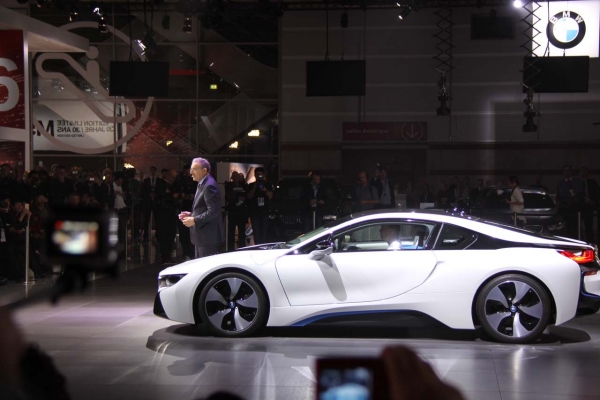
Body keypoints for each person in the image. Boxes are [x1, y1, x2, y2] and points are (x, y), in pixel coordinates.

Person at [180, 158, 224, 258]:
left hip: (208, 237)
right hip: (204, 237)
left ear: (204, 170)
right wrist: (191, 215)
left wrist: (194, 219)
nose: (191, 172)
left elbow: (213, 211)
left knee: (206, 269)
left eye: (194, 169)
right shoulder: (203, 183)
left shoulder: (209, 186)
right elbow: (205, 209)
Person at [156, 169, 180, 264]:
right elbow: (161, 197)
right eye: (172, 177)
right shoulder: (161, 184)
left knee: (171, 234)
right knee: (165, 235)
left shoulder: (173, 185)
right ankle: (165, 256)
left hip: (171, 213)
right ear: (167, 175)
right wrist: (171, 196)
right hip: (163, 214)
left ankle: (168, 255)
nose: (173, 179)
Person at [246, 167, 274, 244]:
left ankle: (263, 246)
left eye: (260, 175)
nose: (259, 177)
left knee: (264, 232)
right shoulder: (251, 185)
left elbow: (271, 196)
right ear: (255, 175)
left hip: (264, 212)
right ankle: (257, 246)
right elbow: (249, 196)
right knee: (256, 232)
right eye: (257, 175)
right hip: (255, 213)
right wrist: (254, 188)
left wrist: (264, 190)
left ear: (263, 175)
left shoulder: (268, 184)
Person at [557, 165, 584, 239]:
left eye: (568, 171)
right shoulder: (560, 183)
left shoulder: (577, 181)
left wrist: (574, 197)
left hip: (576, 207)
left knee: (577, 226)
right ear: (563, 172)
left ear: (571, 172)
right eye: (565, 171)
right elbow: (561, 194)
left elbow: (580, 191)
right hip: (566, 207)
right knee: (567, 227)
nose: (567, 172)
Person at [225, 172, 248, 251]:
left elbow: (246, 196)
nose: (236, 178)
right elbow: (228, 197)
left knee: (242, 233)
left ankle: (242, 249)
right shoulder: (229, 186)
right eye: (234, 177)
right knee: (231, 232)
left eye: (237, 176)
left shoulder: (244, 186)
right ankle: (230, 250)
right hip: (233, 212)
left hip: (241, 212)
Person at [580, 167, 599, 243]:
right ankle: (580, 240)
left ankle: (590, 241)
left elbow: (597, 192)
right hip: (579, 206)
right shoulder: (577, 182)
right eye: (582, 171)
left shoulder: (592, 182)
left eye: (585, 171)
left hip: (589, 206)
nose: (583, 173)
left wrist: (593, 201)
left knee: (589, 225)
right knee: (578, 225)